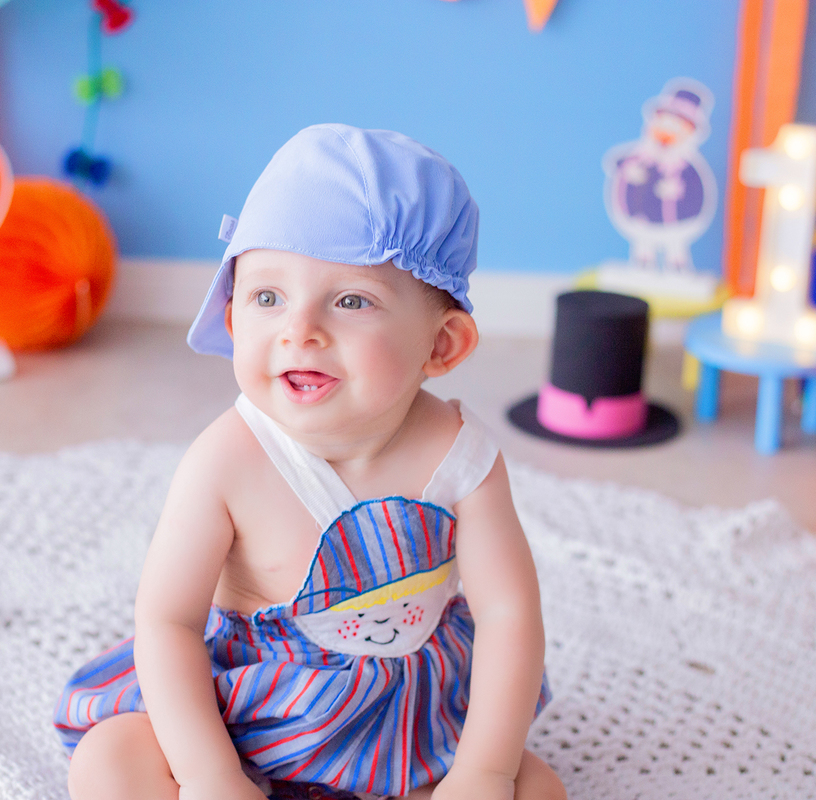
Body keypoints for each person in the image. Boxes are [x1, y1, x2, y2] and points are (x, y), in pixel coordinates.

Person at [55, 124, 567, 800]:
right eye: (267, 297)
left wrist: (484, 770)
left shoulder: (460, 457)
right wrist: (210, 775)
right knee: (111, 762)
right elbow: (167, 622)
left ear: (441, 346)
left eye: (352, 300)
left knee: (537, 790)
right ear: (234, 317)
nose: (300, 330)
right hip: (243, 716)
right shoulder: (227, 460)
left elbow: (508, 616)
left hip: (405, 722)